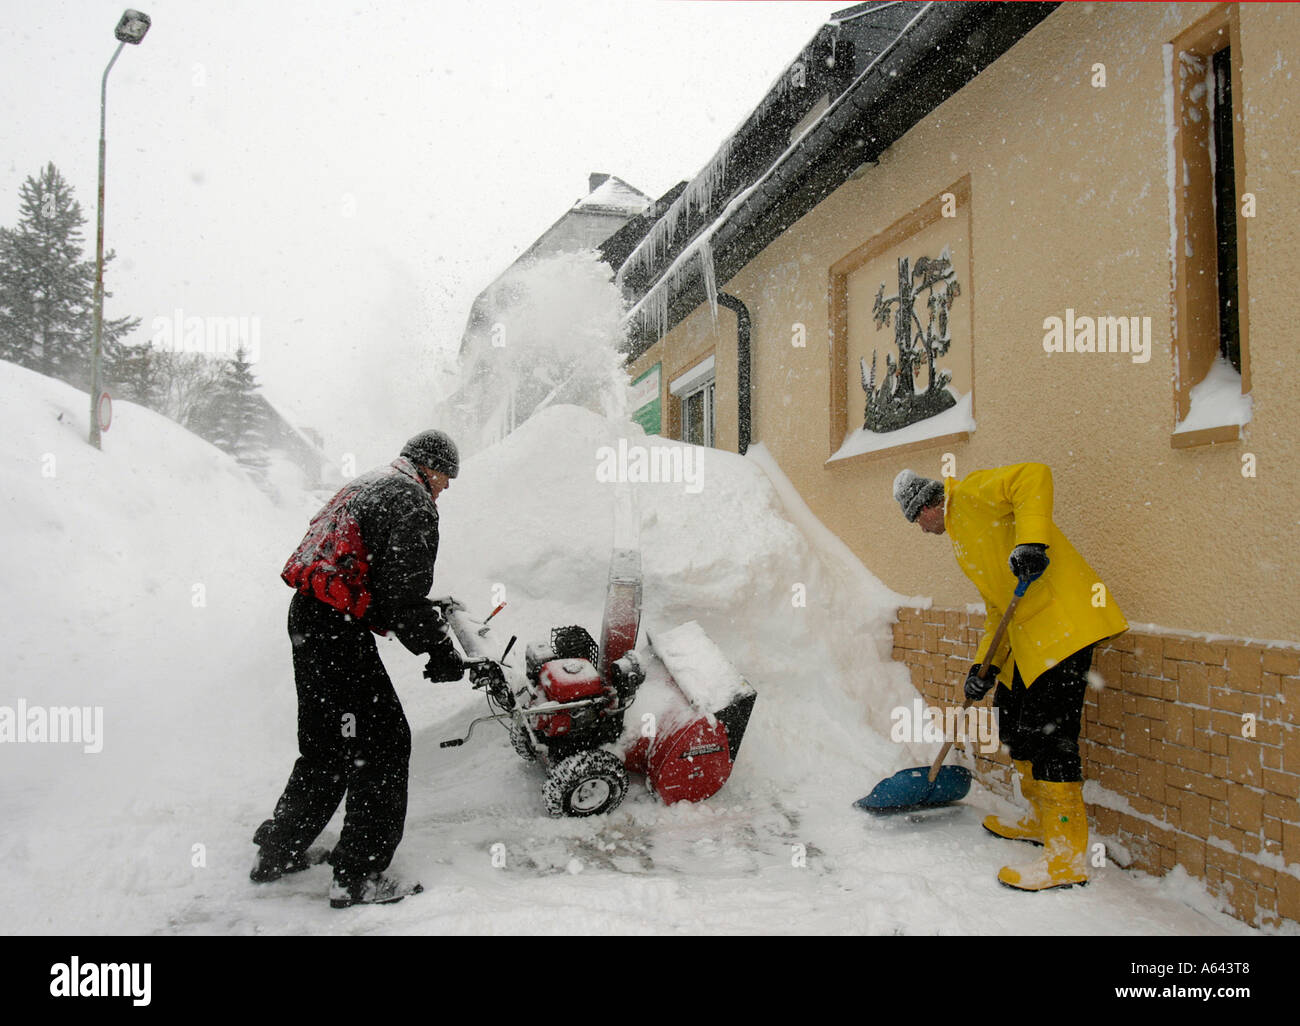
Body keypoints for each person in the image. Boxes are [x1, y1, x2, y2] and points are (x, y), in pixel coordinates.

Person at [251, 429, 467, 908]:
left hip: (308, 617)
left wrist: (424, 620)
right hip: (335, 631)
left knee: (326, 745)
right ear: (428, 467)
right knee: (383, 746)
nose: (447, 487)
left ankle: (279, 850)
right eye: (446, 476)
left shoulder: (367, 484)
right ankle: (359, 876)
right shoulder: (413, 502)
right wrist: (439, 651)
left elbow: (370, 575)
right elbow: (400, 595)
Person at [893, 463, 1127, 891]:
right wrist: (984, 668)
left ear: (928, 505)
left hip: (1064, 627)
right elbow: (1000, 610)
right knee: (1011, 718)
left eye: (916, 521)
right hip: (1028, 641)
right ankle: (1041, 821)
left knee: (1049, 736)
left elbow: (1033, 476)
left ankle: (1067, 857)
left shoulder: (969, 495)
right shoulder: (963, 537)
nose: (920, 530)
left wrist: (1032, 542)